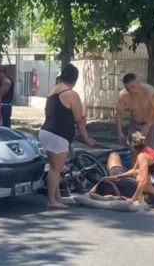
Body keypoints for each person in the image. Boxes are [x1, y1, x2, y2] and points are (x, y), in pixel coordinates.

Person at [38, 64, 97, 208]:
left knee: (56, 168)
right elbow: (79, 120)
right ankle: (52, 200)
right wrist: (87, 138)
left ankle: (58, 197)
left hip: (47, 132)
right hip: (58, 135)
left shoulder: (54, 90)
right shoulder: (71, 94)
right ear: (75, 79)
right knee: (55, 169)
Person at [108, 132, 154, 208]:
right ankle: (143, 200)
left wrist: (132, 199)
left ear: (131, 145)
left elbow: (143, 181)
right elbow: (135, 170)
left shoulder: (142, 156)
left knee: (141, 178)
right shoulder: (145, 150)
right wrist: (118, 176)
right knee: (138, 173)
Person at [115, 73, 154, 150]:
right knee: (134, 150)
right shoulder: (123, 95)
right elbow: (119, 115)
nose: (131, 91)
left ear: (138, 82)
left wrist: (147, 127)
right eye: (128, 88)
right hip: (135, 125)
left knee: (151, 153)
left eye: (133, 87)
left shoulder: (149, 91)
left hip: (152, 123)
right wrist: (120, 132)